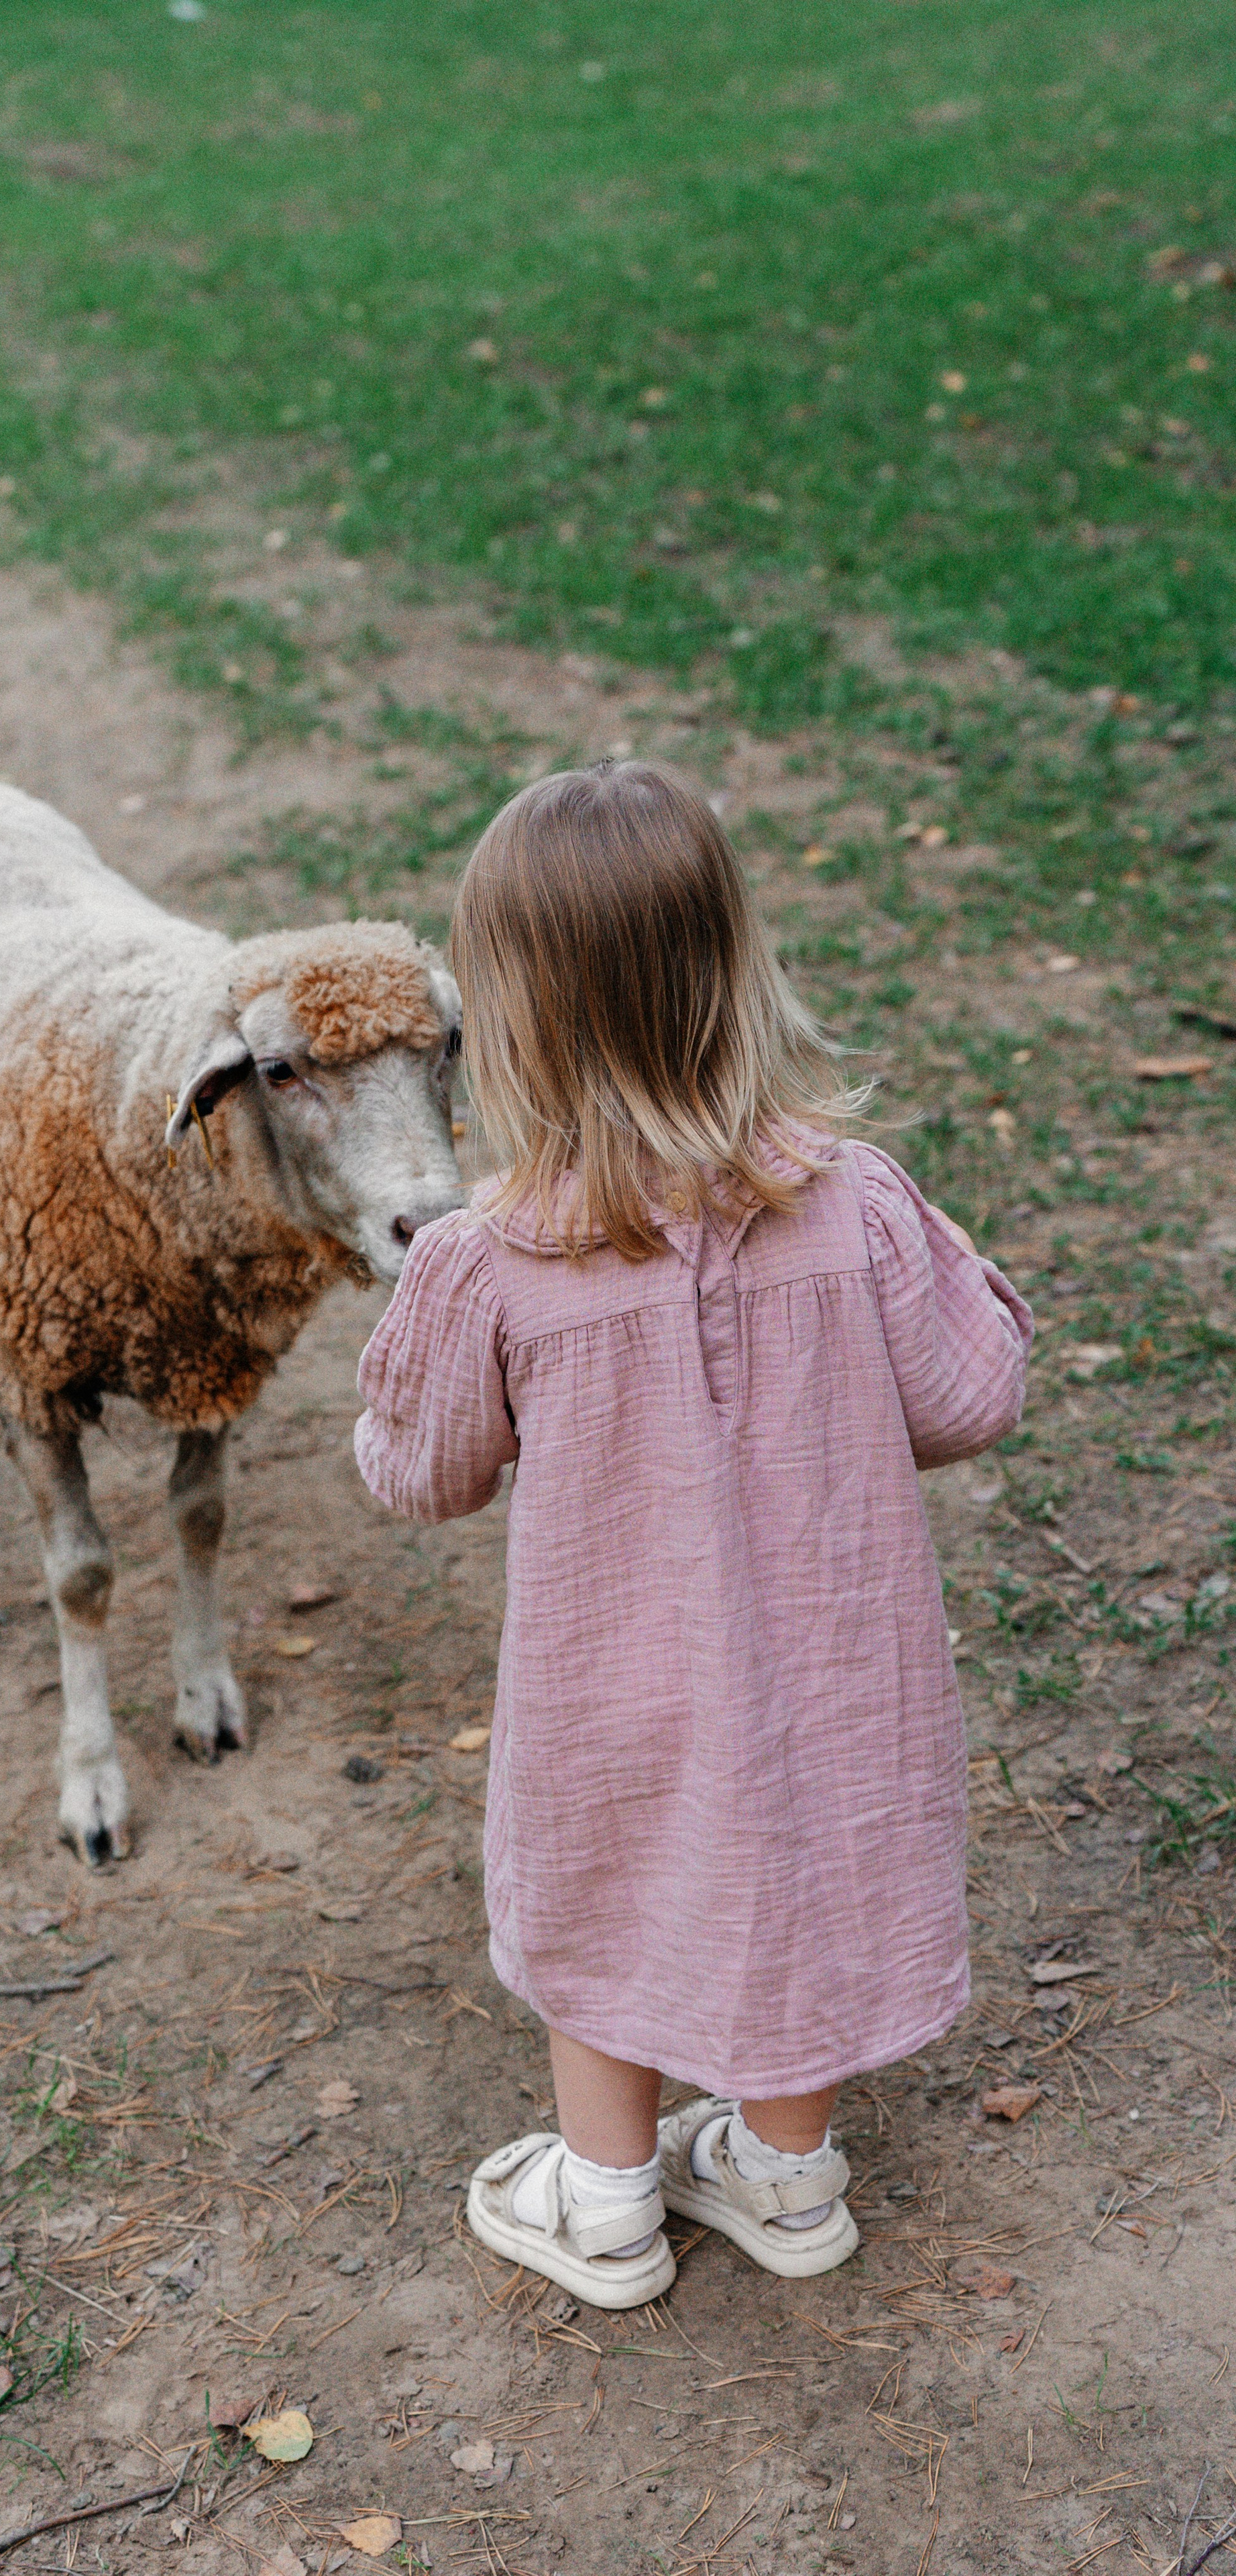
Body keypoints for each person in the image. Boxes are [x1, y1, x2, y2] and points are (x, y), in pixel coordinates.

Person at [353, 761, 1031, 2309]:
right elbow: (973, 1390)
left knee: (606, 1880)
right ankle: (785, 2179)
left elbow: (422, 1471)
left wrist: (394, 1397)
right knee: (812, 1857)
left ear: (509, 1022)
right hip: (833, 1670)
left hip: (611, 1690)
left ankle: (604, 2205)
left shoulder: (486, 1261)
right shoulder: (852, 1205)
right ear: (734, 975)